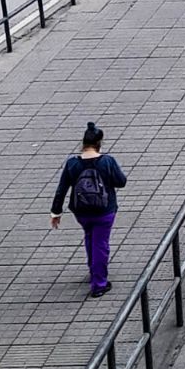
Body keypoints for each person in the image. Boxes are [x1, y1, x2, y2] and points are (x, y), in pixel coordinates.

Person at [50, 122, 127, 297]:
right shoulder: (107, 161)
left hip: (81, 211)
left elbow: (61, 189)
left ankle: (93, 269)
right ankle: (99, 284)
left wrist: (56, 212)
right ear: (100, 143)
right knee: (101, 244)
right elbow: (121, 182)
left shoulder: (72, 164)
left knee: (90, 236)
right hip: (104, 210)